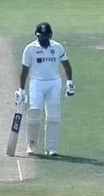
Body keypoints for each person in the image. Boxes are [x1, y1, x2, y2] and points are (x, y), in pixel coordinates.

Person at [15, 22, 75, 156]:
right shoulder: (30, 49)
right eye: (40, 37)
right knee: (34, 113)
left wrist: (69, 82)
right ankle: (31, 145)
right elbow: (24, 71)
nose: (43, 40)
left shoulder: (57, 47)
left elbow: (67, 66)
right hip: (37, 84)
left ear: (50, 35)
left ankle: (51, 148)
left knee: (54, 115)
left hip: (54, 83)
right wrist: (21, 90)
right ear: (36, 36)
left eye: (45, 37)